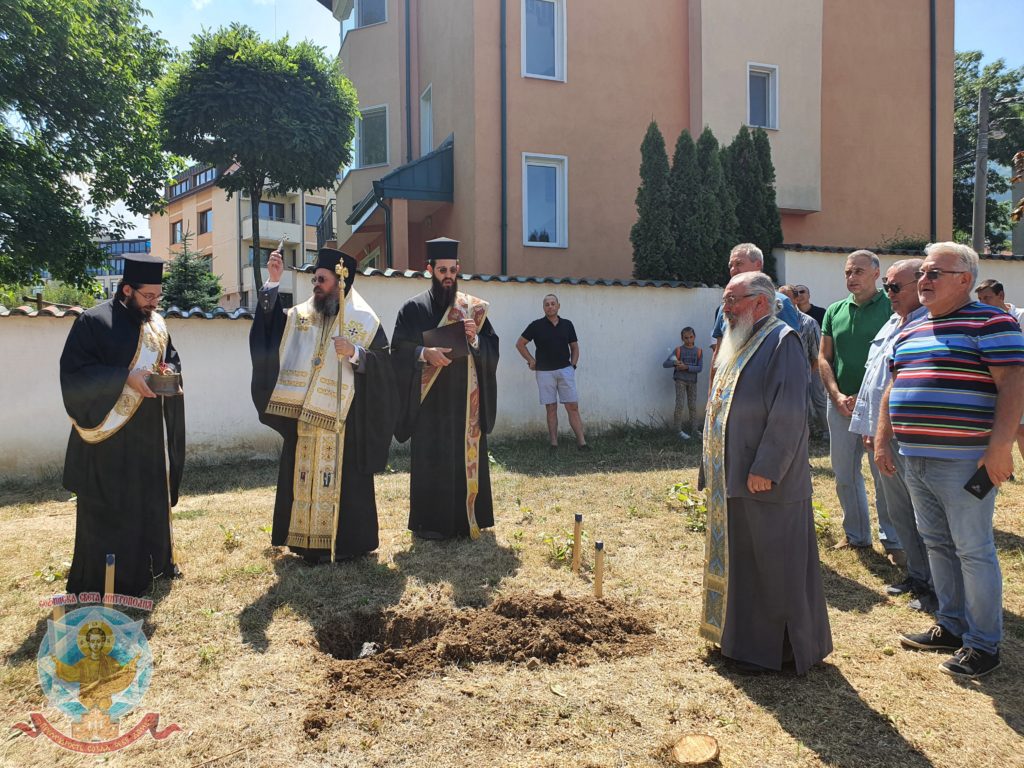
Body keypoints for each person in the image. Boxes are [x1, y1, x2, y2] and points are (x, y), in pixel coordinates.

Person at [878, 242, 1024, 678]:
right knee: (937, 543)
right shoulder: (913, 327)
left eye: (933, 273)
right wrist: (884, 438)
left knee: (973, 550)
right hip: (915, 458)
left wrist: (999, 448)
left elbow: (1014, 385)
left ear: (964, 280)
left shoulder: (992, 322)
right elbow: (894, 385)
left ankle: (983, 644)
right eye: (922, 272)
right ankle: (951, 625)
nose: (923, 280)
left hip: (965, 461)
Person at [698, 271, 832, 675]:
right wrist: (709, 466)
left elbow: (789, 411)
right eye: (725, 300)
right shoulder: (738, 341)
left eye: (732, 300)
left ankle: (777, 653)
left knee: (774, 564)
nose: (726, 309)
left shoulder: (781, 341)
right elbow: (719, 407)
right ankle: (739, 642)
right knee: (743, 561)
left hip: (766, 480)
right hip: (732, 476)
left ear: (760, 302)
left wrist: (767, 467)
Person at [249, 247, 395, 563]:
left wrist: (356, 353)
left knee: (346, 483)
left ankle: (347, 544)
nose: (316, 285)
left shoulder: (365, 321)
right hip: (304, 418)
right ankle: (304, 544)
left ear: (341, 282)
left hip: (345, 422)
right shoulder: (303, 316)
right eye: (314, 279)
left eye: (322, 280)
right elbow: (269, 331)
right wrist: (273, 283)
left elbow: (385, 366)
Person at [59, 253, 184, 598]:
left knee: (147, 500)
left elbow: (170, 358)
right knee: (112, 507)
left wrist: (169, 374)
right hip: (108, 437)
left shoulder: (156, 325)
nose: (154, 303)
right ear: (127, 289)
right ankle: (109, 581)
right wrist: (125, 377)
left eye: (158, 296)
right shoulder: (92, 322)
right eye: (148, 296)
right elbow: (74, 374)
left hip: (147, 433)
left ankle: (152, 566)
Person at [392, 237, 500, 540]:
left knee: (464, 458)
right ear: (429, 270)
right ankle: (431, 524)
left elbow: (492, 347)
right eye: (442, 270)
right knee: (432, 460)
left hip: (465, 404)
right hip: (429, 404)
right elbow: (397, 350)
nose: (448, 276)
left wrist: (475, 339)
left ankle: (468, 520)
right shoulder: (412, 309)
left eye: (453, 270)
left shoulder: (471, 308)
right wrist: (423, 353)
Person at [848, 259, 936, 611]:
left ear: (920, 285)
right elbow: (875, 380)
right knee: (898, 510)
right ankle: (917, 575)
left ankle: (937, 584)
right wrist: (870, 429)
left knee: (924, 514)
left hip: (909, 436)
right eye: (887, 287)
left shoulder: (928, 324)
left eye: (896, 287)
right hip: (884, 434)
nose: (889, 293)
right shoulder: (893, 322)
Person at [818, 249, 902, 559]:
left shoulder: (892, 309)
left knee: (884, 474)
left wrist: (871, 399)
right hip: (841, 404)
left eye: (858, 271)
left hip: (878, 406)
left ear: (877, 274)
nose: (851, 277)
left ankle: (893, 540)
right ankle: (856, 535)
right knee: (844, 474)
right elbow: (824, 358)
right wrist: (836, 395)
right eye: (847, 272)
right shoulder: (834, 311)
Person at [709, 244, 800, 380]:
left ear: (758, 265)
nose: (733, 270)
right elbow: (718, 352)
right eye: (730, 266)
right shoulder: (725, 307)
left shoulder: (780, 302)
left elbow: (791, 354)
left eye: (739, 263)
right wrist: (712, 391)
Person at [515, 294, 589, 450]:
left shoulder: (567, 324)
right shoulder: (536, 325)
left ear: (558, 306)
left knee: (572, 406)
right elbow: (520, 344)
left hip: (565, 370)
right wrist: (531, 360)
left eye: (553, 303)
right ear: (543, 308)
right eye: (547, 304)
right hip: (544, 373)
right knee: (551, 408)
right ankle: (554, 444)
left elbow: (574, 347)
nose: (550, 306)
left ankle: (582, 443)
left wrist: (572, 366)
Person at [779, 284, 827, 438]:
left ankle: (827, 432)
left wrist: (807, 374)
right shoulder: (773, 322)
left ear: (795, 300)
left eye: (786, 298)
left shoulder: (808, 322)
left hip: (810, 369)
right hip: (785, 373)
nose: (782, 301)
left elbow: (816, 354)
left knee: (818, 400)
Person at [662, 327, 702, 439]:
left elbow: (699, 368)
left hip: (692, 382)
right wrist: (674, 363)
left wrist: (687, 367)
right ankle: (678, 431)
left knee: (692, 406)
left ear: (694, 337)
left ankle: (695, 430)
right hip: (680, 380)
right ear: (682, 338)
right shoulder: (678, 350)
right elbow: (665, 364)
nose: (689, 340)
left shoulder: (698, 351)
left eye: (691, 337)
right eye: (686, 338)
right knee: (679, 405)